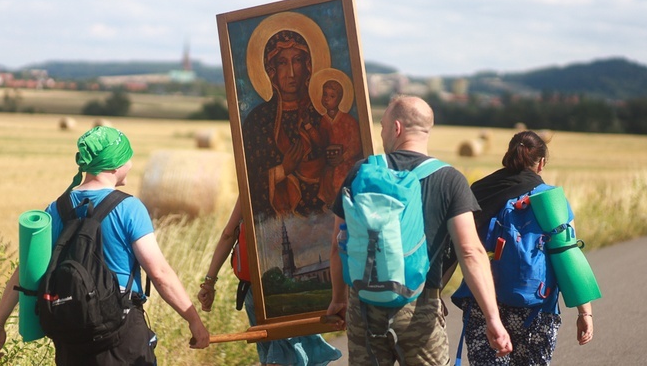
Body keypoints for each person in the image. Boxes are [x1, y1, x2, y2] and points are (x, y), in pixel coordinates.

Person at [0, 126, 210, 364]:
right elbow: (160, 273)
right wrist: (193, 321)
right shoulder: (129, 208)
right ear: (114, 164)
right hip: (120, 334)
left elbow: (25, 272)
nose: (131, 164)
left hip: (70, 333)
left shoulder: (56, 209)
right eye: (127, 157)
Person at [325, 95, 512, 365]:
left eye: (383, 125)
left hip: (365, 304)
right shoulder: (450, 179)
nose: (382, 132)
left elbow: (337, 243)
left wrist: (338, 299)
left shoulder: (361, 172)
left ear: (397, 128)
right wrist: (493, 318)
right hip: (420, 307)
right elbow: (470, 252)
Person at [452, 130, 593, 365]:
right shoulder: (552, 200)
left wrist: (434, 294)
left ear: (508, 156)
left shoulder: (481, 191)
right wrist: (584, 312)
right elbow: (567, 255)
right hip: (536, 310)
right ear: (542, 163)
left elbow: (458, 246)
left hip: (484, 307)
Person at [197, 196, 342, 366]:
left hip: (255, 289)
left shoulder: (250, 186)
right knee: (287, 353)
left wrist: (209, 282)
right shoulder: (301, 185)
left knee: (275, 354)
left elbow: (228, 234)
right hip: (290, 293)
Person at [242, 29, 326, 218]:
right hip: (279, 228)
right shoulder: (258, 121)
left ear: (308, 66)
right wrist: (282, 170)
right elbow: (250, 184)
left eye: (297, 61)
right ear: (271, 71)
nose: (291, 73)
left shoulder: (320, 115)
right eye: (282, 63)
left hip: (326, 225)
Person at [316, 78, 362, 208]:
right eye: (325, 94)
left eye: (332, 96)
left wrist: (342, 157)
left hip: (346, 162)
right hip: (331, 162)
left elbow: (356, 144)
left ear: (340, 99)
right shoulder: (323, 121)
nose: (327, 99)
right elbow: (321, 142)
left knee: (340, 179)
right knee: (326, 178)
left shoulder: (348, 121)